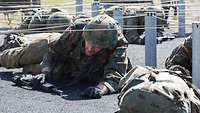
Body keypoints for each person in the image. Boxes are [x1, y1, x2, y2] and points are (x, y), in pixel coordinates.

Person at [0, 14, 132, 99]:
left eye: (97, 46)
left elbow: (115, 76)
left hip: (73, 68)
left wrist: (100, 90)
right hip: (55, 46)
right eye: (89, 42)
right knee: (20, 56)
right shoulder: (77, 29)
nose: (90, 49)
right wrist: (45, 73)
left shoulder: (118, 44)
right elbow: (53, 53)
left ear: (107, 45)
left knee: (33, 70)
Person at [116, 65, 200, 113]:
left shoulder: (148, 71)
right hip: (169, 105)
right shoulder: (187, 87)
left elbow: (122, 84)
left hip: (132, 97)